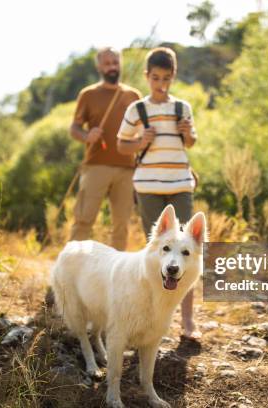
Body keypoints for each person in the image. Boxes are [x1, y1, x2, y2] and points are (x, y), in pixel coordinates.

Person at [116, 47, 201, 340]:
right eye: (155, 78)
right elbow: (121, 146)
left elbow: (190, 142)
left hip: (180, 184)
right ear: (147, 76)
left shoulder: (182, 108)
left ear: (173, 76)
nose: (161, 84)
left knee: (186, 252)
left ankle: (187, 321)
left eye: (166, 78)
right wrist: (140, 141)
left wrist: (187, 132)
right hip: (149, 187)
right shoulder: (136, 110)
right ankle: (153, 317)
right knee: (159, 253)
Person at [69, 47, 141, 251]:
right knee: (84, 219)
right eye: (107, 63)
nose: (112, 67)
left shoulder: (133, 95)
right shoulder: (88, 94)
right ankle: (70, 271)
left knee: (121, 225)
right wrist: (86, 135)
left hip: (127, 168)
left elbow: (142, 130)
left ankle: (115, 276)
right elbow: (74, 128)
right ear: (99, 66)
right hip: (95, 166)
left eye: (115, 62)